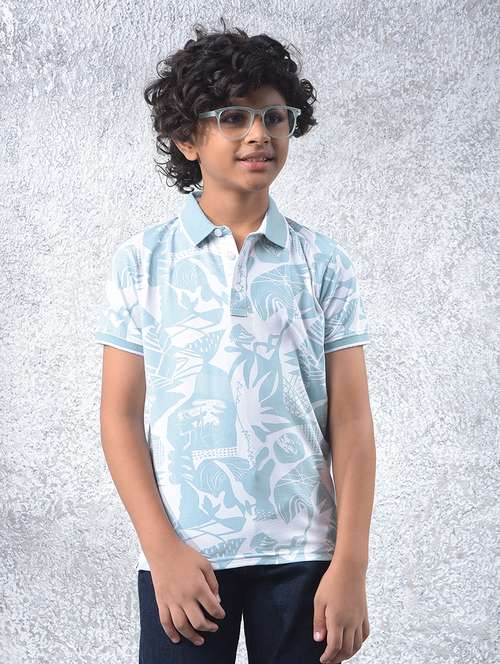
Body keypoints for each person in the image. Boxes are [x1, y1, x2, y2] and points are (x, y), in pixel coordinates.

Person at [95, 16, 375, 664]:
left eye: (275, 118)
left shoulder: (323, 262)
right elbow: (119, 417)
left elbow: (352, 421)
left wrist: (351, 565)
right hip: (185, 557)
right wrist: (161, 550)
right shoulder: (142, 261)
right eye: (233, 118)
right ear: (186, 138)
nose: (259, 134)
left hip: (306, 557)